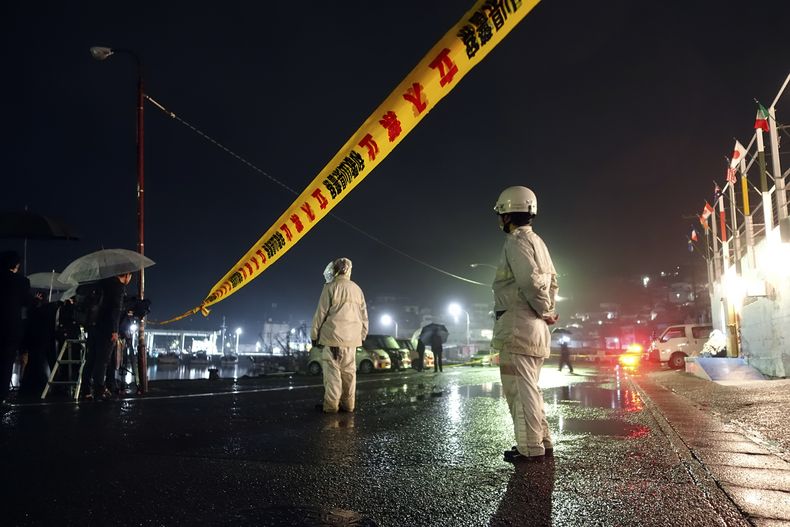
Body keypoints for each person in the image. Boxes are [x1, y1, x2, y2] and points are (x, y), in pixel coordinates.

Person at [491, 186, 559, 463]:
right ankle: (542, 441)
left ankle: (530, 448)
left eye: (500, 214)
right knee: (531, 387)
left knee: (519, 389)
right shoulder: (539, 242)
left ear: (507, 215)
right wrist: (549, 310)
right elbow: (552, 282)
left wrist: (545, 310)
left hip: (518, 325)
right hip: (535, 328)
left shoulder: (516, 242)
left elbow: (529, 282)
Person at [310, 258, 368, 413]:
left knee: (332, 375)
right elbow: (364, 316)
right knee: (349, 375)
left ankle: (331, 407)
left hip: (333, 339)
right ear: (349, 270)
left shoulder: (330, 287)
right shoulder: (357, 289)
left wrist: (314, 335)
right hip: (352, 342)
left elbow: (320, 314)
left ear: (335, 270)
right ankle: (349, 405)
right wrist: (362, 335)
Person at [86, 272, 132, 401]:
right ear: (127, 275)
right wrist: (114, 330)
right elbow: (115, 310)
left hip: (94, 326)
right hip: (107, 328)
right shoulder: (118, 287)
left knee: (92, 359)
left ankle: (86, 389)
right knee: (103, 360)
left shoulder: (102, 284)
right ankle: (99, 390)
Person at [0, 251, 34, 404]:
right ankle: (2, 393)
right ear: (16, 265)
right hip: (11, 325)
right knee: (7, 360)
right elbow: (26, 302)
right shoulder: (22, 281)